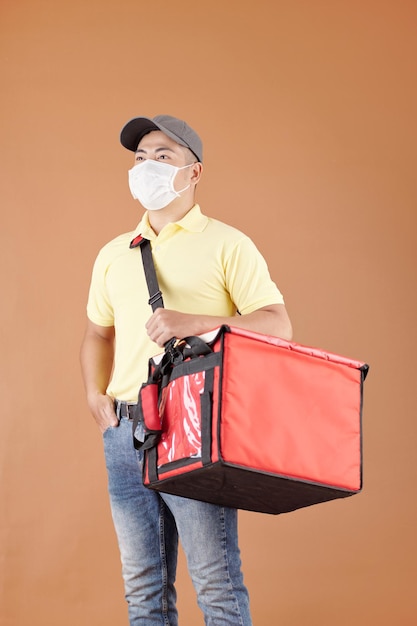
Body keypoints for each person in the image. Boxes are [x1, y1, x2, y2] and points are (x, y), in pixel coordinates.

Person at [80, 114, 292, 626]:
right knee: (143, 588)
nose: (147, 167)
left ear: (193, 173)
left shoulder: (227, 243)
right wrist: (94, 393)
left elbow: (277, 324)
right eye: (139, 158)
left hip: (193, 426)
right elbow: (97, 334)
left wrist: (194, 321)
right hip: (125, 432)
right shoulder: (114, 253)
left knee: (215, 583)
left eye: (163, 156)